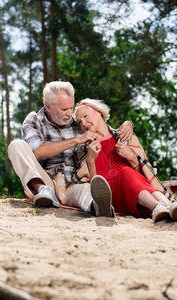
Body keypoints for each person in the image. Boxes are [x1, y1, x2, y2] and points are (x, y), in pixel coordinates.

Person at [7, 81, 134, 217]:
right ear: (48, 106)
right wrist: (75, 140)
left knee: (87, 190)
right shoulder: (34, 120)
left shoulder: (78, 122)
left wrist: (128, 124)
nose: (69, 114)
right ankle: (43, 191)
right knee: (16, 145)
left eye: (71, 108)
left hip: (72, 182)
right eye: (63, 109)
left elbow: (101, 127)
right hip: (45, 179)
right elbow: (38, 151)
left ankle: (97, 205)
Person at [74, 98, 177, 222]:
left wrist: (133, 159)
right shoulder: (83, 149)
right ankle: (157, 207)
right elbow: (93, 187)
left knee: (127, 172)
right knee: (125, 172)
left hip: (139, 193)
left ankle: (169, 206)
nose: (84, 123)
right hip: (111, 196)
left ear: (99, 112)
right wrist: (91, 160)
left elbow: (144, 176)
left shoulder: (125, 137)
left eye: (86, 116)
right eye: (80, 121)